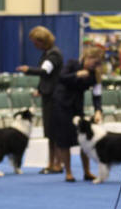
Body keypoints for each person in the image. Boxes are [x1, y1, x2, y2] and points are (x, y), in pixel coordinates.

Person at [52, 47, 104, 182]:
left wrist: (98, 110)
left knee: (84, 138)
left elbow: (97, 95)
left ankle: (87, 172)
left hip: (77, 107)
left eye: (98, 63)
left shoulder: (95, 75)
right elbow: (60, 78)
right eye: (94, 62)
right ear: (87, 57)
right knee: (65, 140)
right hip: (62, 105)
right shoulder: (72, 64)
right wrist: (76, 75)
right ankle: (68, 172)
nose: (95, 65)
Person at [17, 26, 63, 174]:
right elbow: (47, 77)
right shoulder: (47, 53)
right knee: (50, 132)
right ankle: (51, 163)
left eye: (35, 42)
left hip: (55, 97)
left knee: (55, 132)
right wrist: (40, 89)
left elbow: (45, 71)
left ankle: (57, 164)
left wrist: (27, 70)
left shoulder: (53, 55)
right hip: (48, 95)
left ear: (42, 41)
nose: (34, 45)